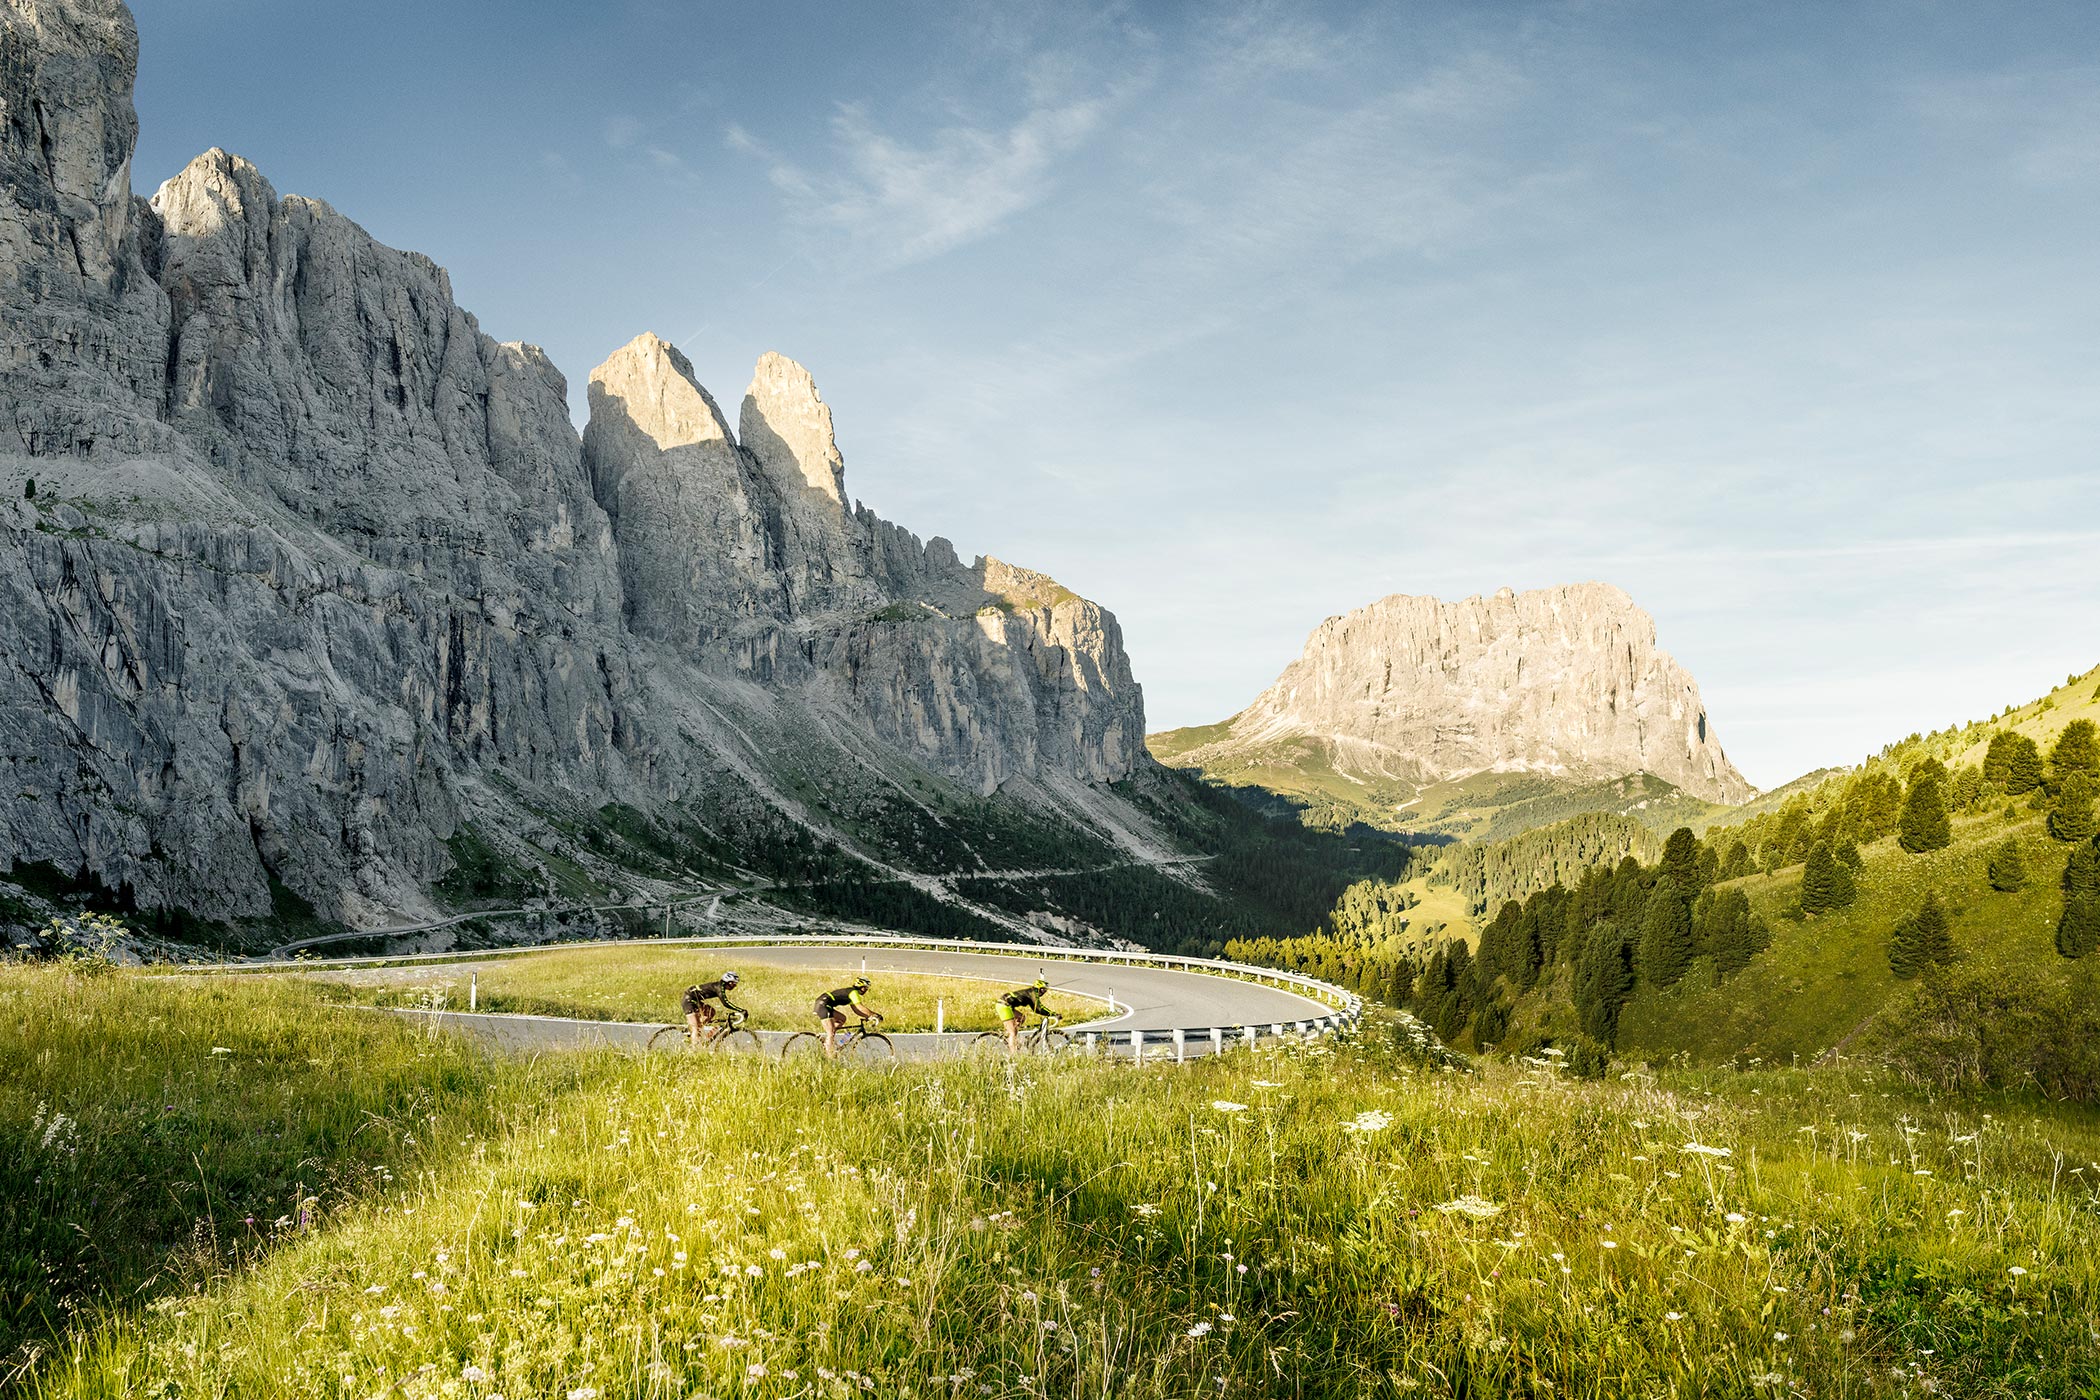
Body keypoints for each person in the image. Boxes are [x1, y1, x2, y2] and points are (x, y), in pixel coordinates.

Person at [815, 976, 882, 1058]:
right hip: (823, 1005)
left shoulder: (852, 993)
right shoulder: (853, 993)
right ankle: (830, 1056)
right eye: (866, 988)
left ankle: (833, 1043)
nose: (866, 990)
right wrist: (874, 1015)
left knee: (842, 1019)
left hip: (824, 1004)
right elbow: (860, 1007)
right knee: (831, 1032)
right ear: (861, 987)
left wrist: (868, 1016)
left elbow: (857, 1010)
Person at [680, 971, 746, 1047]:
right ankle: (694, 1049)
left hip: (694, 999)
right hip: (688, 1000)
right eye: (734, 983)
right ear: (729, 982)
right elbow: (725, 1003)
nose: (735, 986)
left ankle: (696, 1033)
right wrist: (740, 1010)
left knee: (711, 1012)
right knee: (696, 1028)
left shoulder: (720, 986)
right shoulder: (719, 988)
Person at [996, 975, 1058, 1053]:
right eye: (1043, 990)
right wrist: (1053, 1014)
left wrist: (1050, 1014)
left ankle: (1014, 1039)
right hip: (1004, 1005)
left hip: (1007, 1004)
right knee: (1013, 1032)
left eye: (1045, 991)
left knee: (1021, 1017)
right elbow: (1038, 1008)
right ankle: (1013, 1053)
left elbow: (1035, 1008)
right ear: (1038, 988)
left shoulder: (1032, 993)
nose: (1044, 992)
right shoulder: (1033, 994)